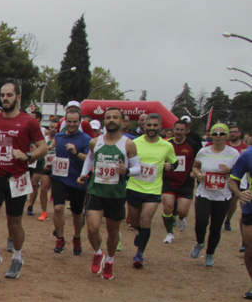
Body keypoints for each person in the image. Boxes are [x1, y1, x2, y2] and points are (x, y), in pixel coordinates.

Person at [0, 80, 47, 279]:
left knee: (14, 224)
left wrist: (28, 156)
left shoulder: (29, 122)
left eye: (9, 95)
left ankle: (17, 257)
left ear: (18, 97)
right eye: (3, 95)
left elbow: (43, 147)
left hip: (18, 178)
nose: (5, 98)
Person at [78, 108, 139, 280]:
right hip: (96, 190)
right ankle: (98, 253)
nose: (111, 120)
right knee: (92, 227)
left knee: (113, 231)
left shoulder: (128, 144)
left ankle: (110, 260)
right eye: (108, 117)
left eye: (115, 117)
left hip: (116, 194)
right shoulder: (95, 142)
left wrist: (126, 170)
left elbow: (138, 168)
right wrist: (84, 174)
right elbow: (90, 158)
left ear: (122, 121)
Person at [125, 113, 177, 269]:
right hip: (134, 187)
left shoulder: (167, 145)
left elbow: (174, 163)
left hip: (153, 190)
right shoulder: (134, 143)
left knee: (146, 220)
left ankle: (139, 254)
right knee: (135, 222)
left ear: (161, 127)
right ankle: (140, 233)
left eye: (155, 125)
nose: (152, 128)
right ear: (144, 126)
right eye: (149, 125)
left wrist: (170, 167)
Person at [190, 124, 240, 267]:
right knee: (201, 222)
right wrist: (198, 174)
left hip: (222, 195)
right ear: (211, 135)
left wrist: (229, 170)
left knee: (215, 227)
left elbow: (238, 172)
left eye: (222, 134)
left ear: (227, 136)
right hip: (204, 192)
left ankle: (210, 253)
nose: (218, 137)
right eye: (215, 134)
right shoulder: (203, 151)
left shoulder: (233, 153)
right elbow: (195, 166)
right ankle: (200, 242)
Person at [49, 110, 90, 255]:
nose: (72, 124)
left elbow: (89, 159)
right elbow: (56, 154)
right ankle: (60, 239)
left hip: (77, 180)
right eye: (69, 121)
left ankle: (77, 238)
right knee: (58, 208)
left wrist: (76, 153)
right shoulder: (59, 137)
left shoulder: (86, 139)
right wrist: (51, 163)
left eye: (75, 122)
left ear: (80, 123)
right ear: (65, 122)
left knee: (77, 213)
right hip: (59, 178)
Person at [160, 118, 200, 243]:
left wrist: (196, 171)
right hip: (168, 182)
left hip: (185, 182)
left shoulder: (193, 145)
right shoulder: (166, 143)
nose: (178, 132)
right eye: (176, 129)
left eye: (181, 130)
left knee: (182, 210)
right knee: (168, 208)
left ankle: (182, 218)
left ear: (186, 131)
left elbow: (199, 161)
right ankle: (170, 233)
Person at [227, 144, 252, 298]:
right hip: (251, 208)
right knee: (250, 249)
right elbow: (232, 181)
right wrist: (239, 193)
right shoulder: (248, 155)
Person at [224, 123, 249, 232]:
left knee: (239, 202)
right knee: (230, 202)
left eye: (235, 132)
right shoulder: (224, 146)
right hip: (226, 179)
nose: (232, 134)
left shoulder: (245, 148)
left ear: (240, 134)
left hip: (242, 179)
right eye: (231, 132)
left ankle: (228, 220)